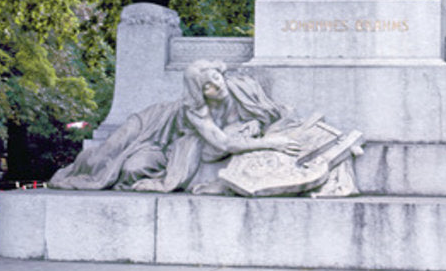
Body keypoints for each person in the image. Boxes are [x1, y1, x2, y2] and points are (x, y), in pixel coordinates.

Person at [49, 61, 302, 194]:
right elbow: (223, 144)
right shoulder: (196, 111)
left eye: (216, 77)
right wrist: (270, 142)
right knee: (104, 156)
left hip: (165, 148)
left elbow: (280, 112)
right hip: (150, 124)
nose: (216, 85)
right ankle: (76, 167)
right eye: (207, 85)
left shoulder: (242, 89)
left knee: (132, 169)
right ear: (199, 93)